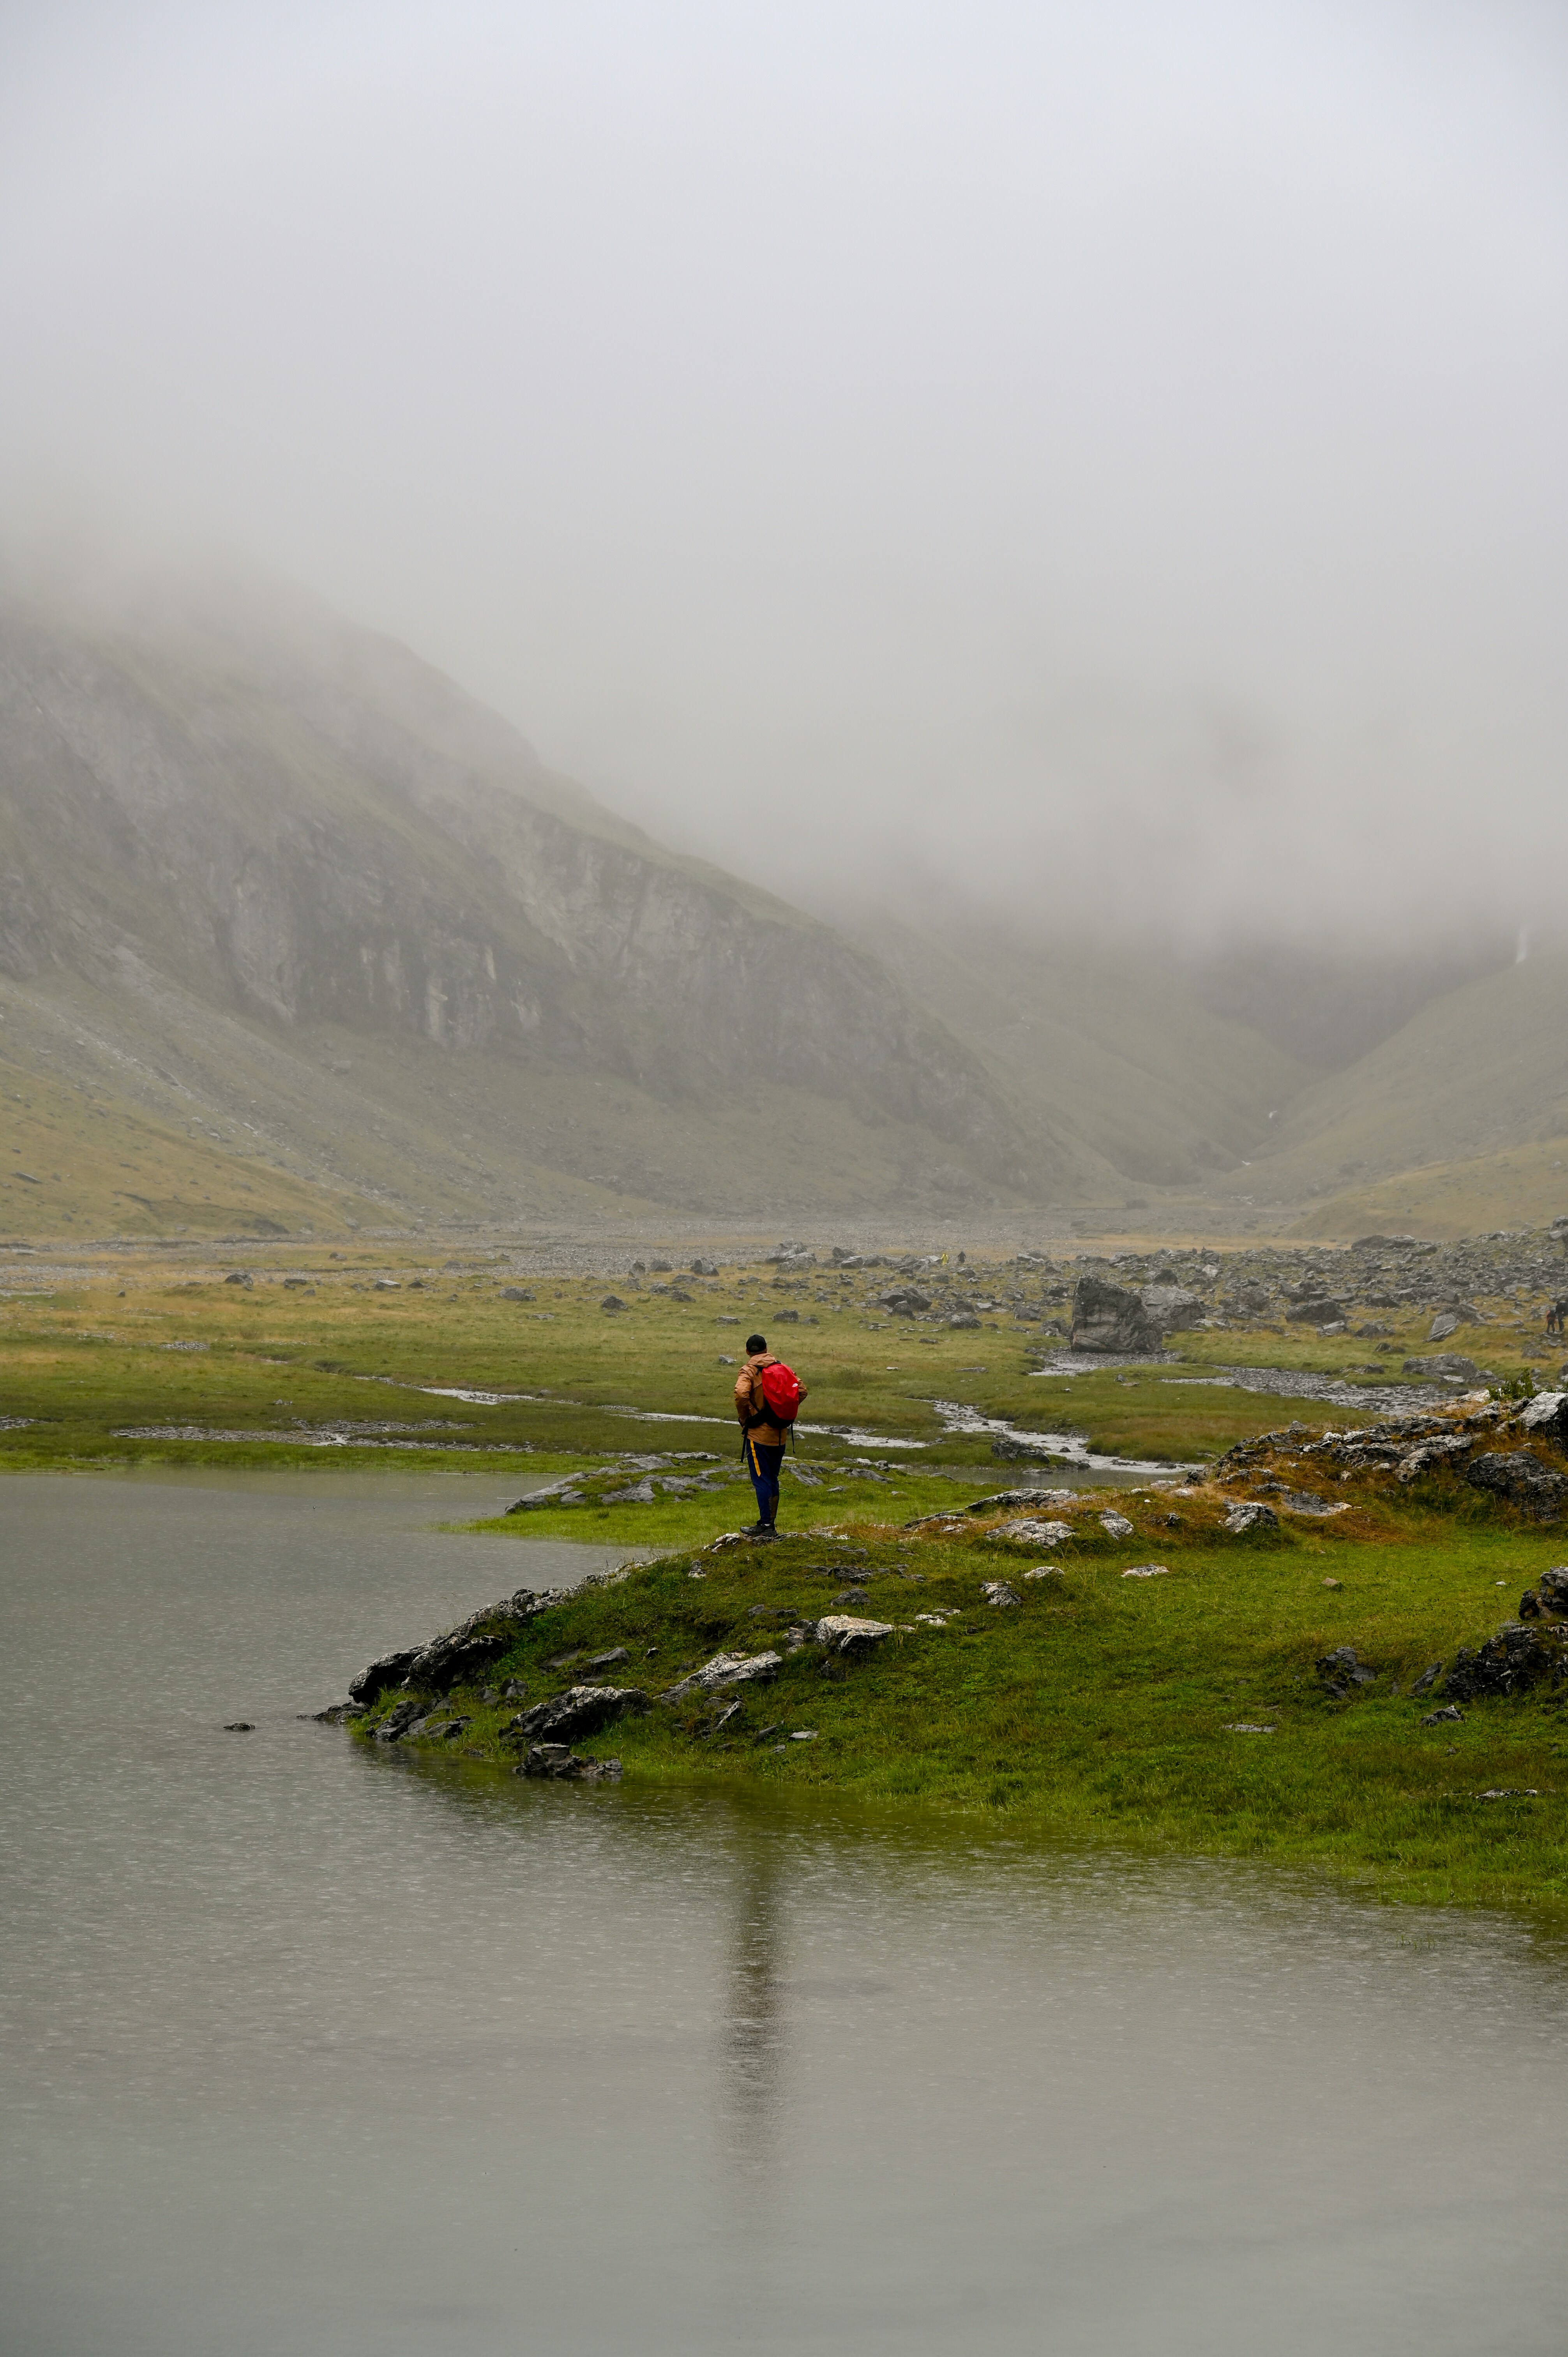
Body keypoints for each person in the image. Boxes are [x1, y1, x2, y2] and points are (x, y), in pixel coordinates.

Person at [734, 1332, 806, 1538]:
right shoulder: (782, 1367)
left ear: (748, 1352)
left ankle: (765, 1526)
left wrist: (746, 1417)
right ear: (766, 1349)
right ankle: (770, 1524)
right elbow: (802, 1391)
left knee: (761, 1479)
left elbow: (740, 1394)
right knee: (773, 1478)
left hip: (759, 1437)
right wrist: (782, 1412)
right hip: (781, 1434)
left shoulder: (749, 1370)